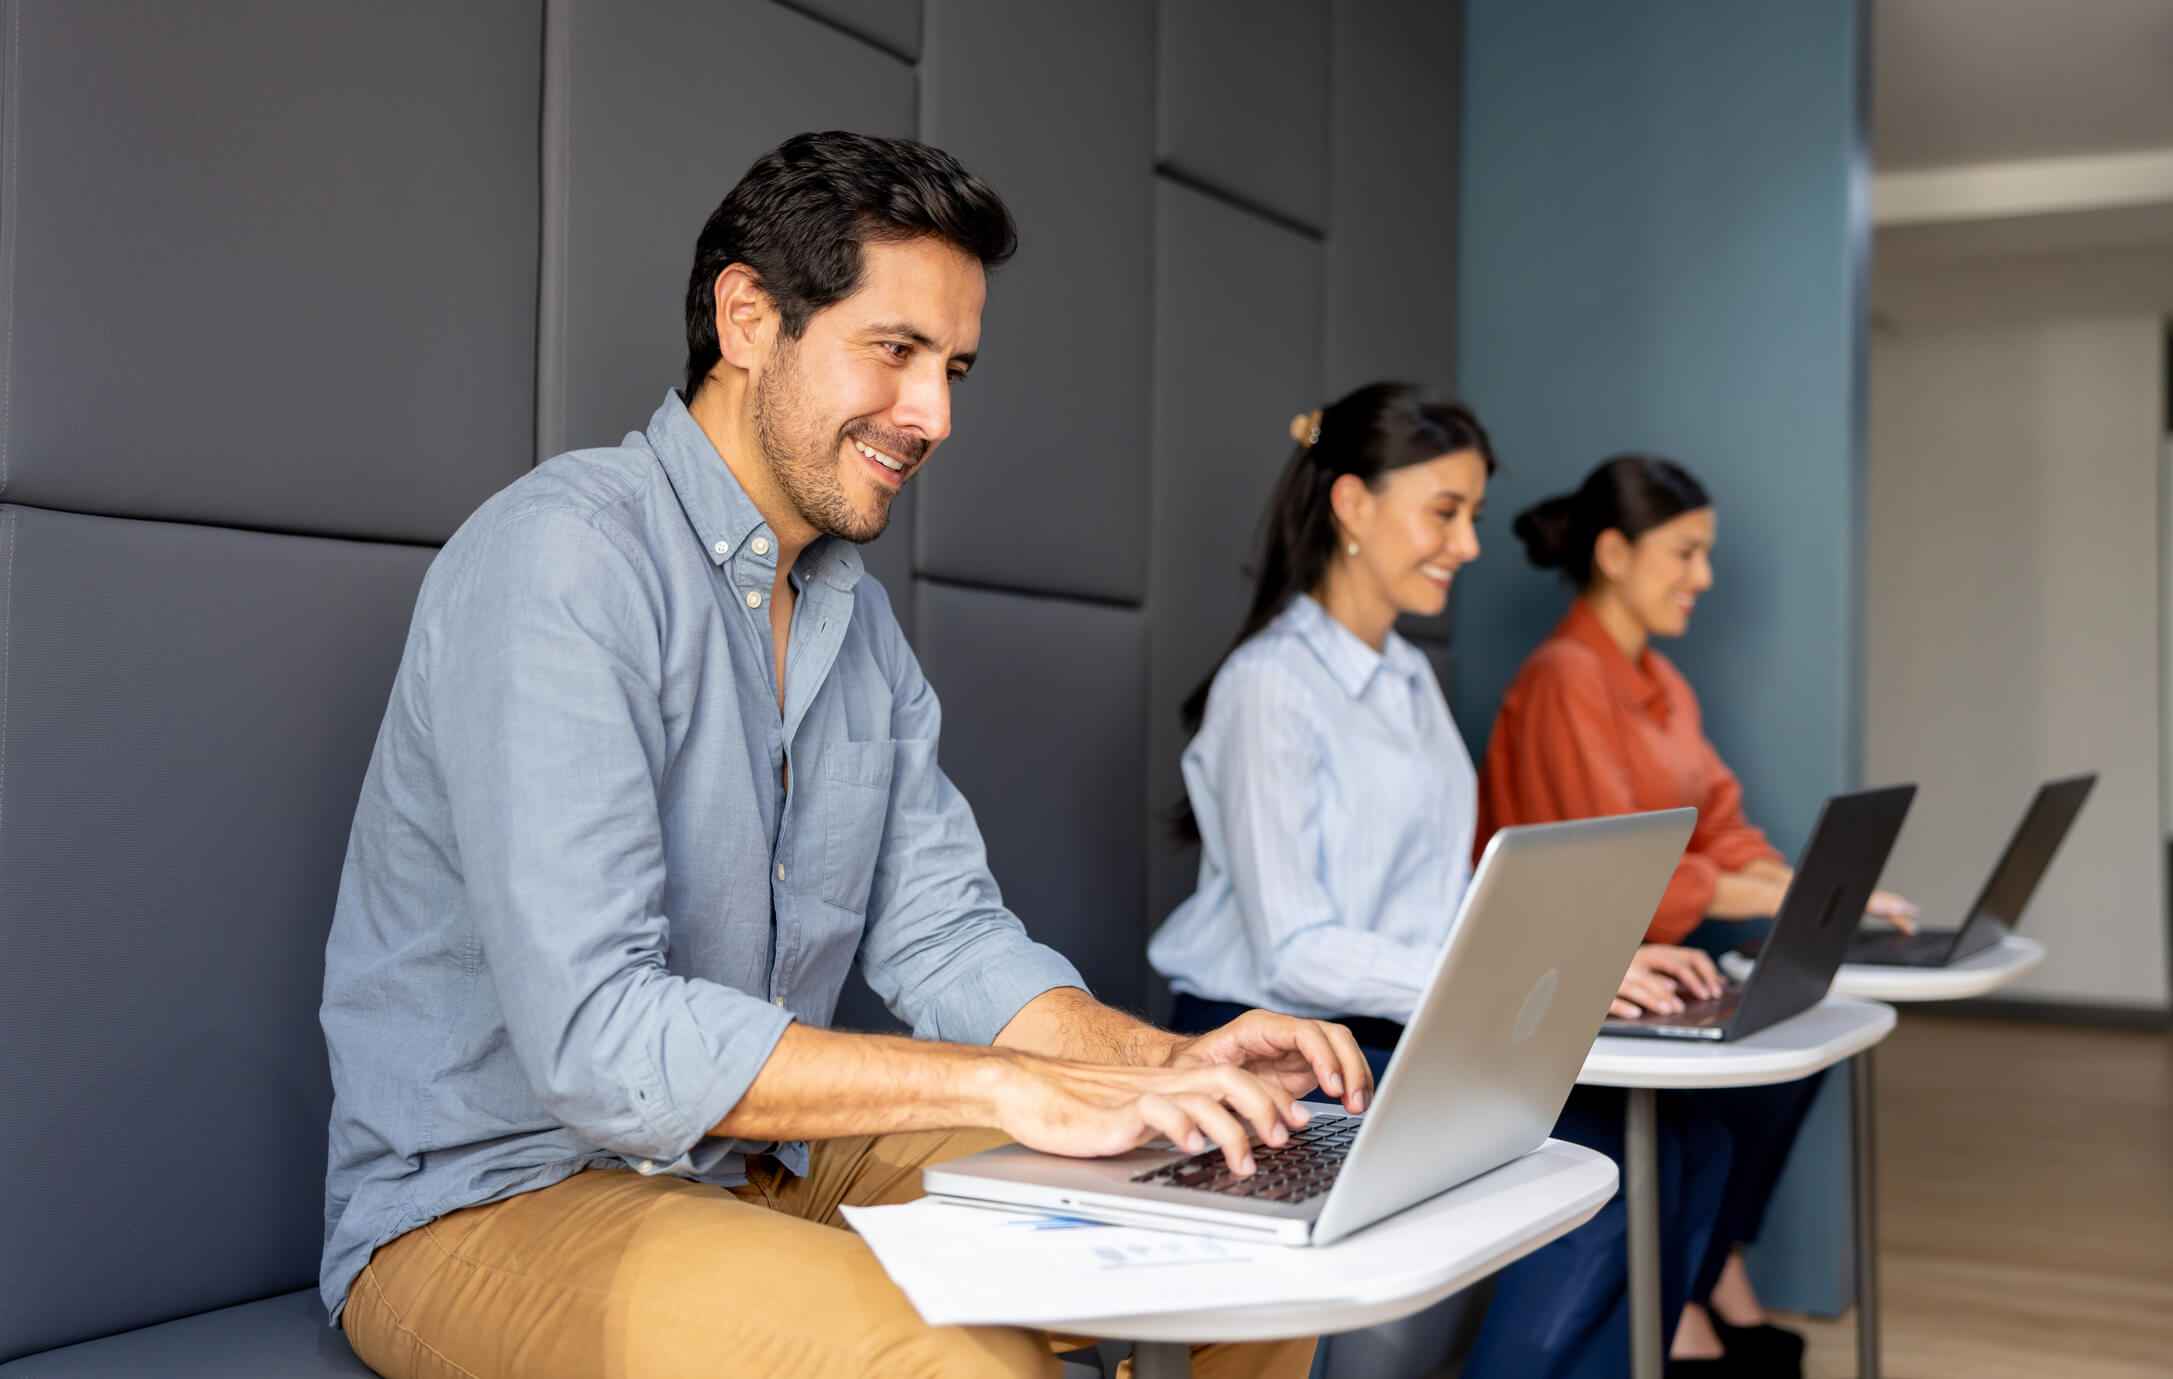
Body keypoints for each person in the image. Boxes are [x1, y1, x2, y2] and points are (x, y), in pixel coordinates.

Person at [317, 130, 1370, 1379]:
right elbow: (599, 1033)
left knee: (1245, 1216)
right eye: (896, 350)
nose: (933, 414)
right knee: (974, 1365)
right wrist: (1000, 1087)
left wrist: (1161, 1061)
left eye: (955, 369)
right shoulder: (562, 560)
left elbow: (944, 936)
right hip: (494, 1200)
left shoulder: (851, 616)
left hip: (758, 1169)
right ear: (748, 316)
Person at [1147, 384, 1732, 1378]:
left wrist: (1589, 960)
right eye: (1444, 511)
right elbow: (1299, 947)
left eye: (1471, 515)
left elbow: (1445, 894)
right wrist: (1492, 989)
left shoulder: (1409, 679)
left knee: (1685, 1140)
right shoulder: (1269, 686)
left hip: (1388, 1020)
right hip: (1284, 1031)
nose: (1466, 544)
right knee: (1603, 1168)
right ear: (1352, 505)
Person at [1476, 454, 1919, 1376]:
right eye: (1684, 553)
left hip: (1652, 967)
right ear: (1612, 553)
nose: (1703, 578)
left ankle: (1710, 1279)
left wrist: (1816, 891)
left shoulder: (1663, 684)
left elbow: (1723, 832)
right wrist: (1783, 893)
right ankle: (1691, 1312)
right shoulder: (1564, 677)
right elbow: (1625, 871)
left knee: (1791, 1051)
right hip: (1575, 977)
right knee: (1723, 1102)